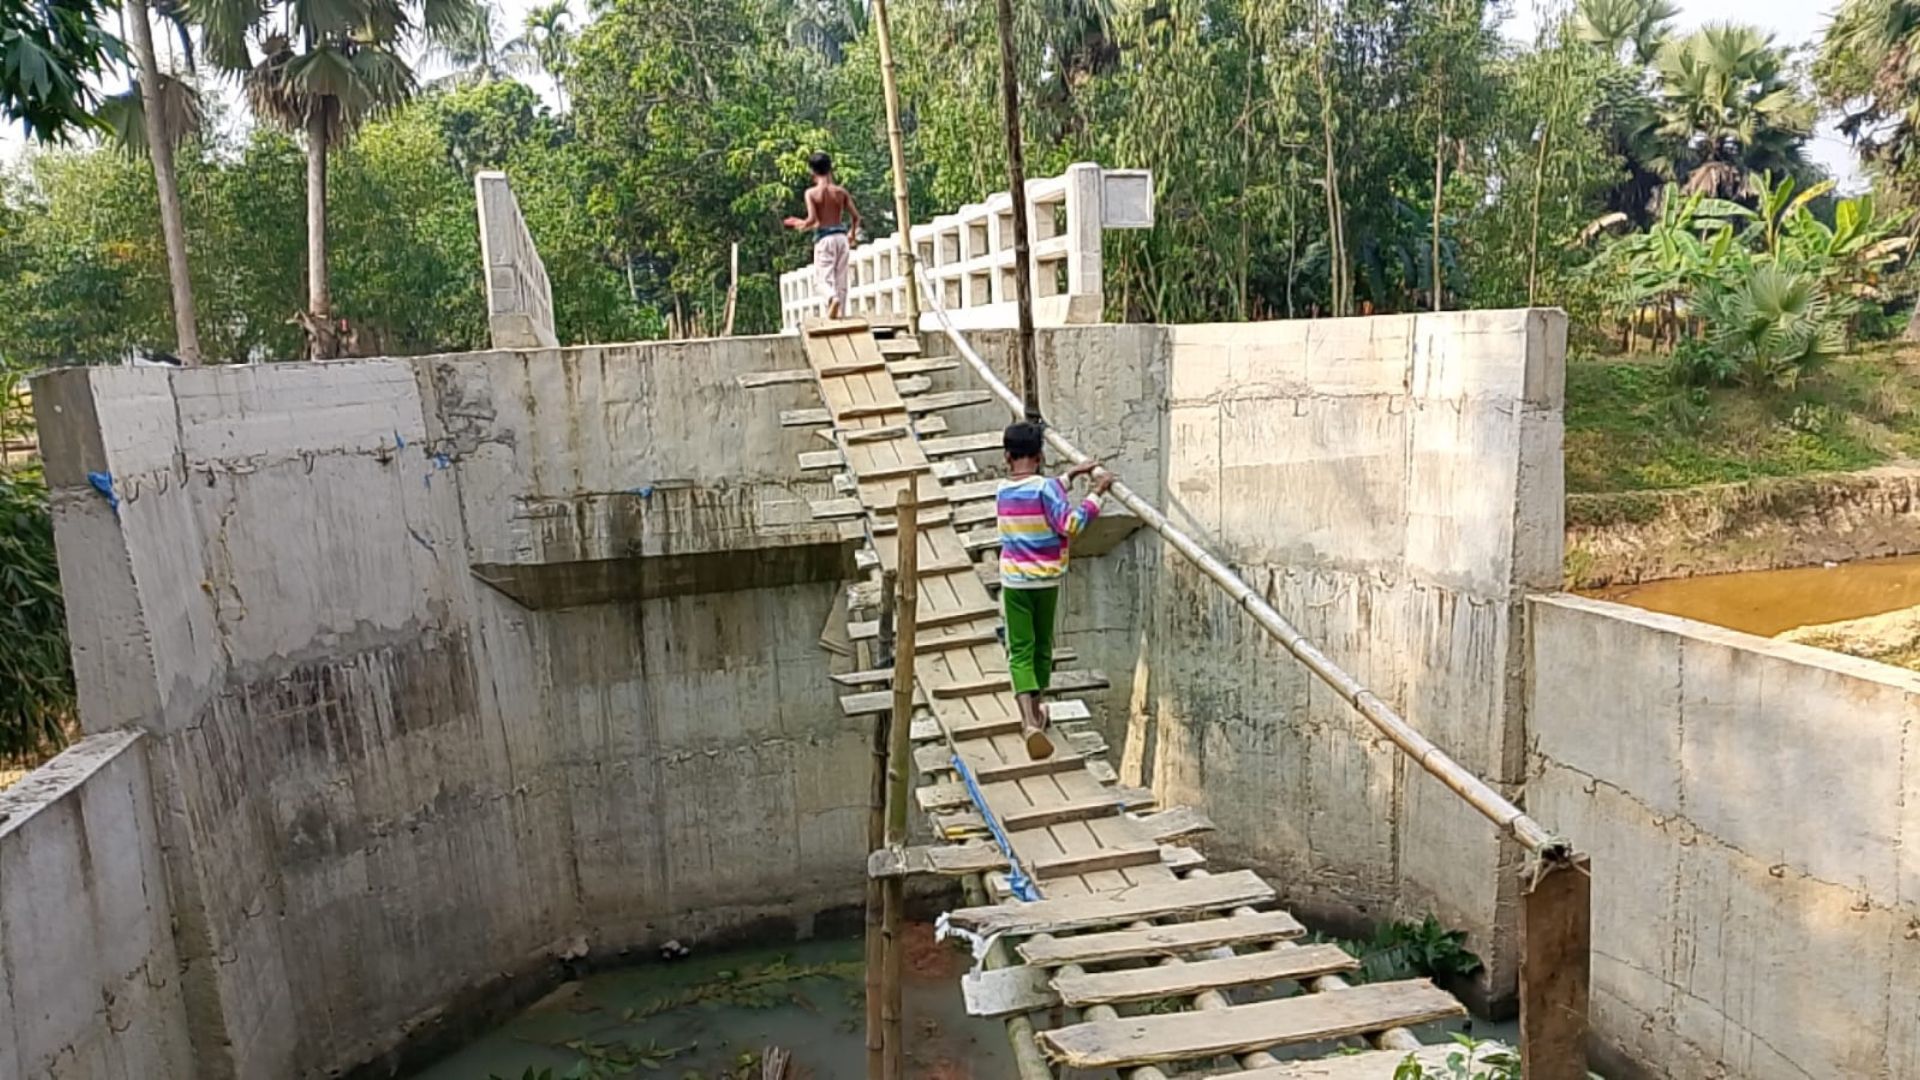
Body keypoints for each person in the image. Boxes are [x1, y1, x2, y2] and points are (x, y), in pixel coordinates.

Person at [996, 421, 1111, 760]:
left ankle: (1029, 722)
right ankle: (1038, 710)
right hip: (1045, 581)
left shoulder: (1003, 490)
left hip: (1014, 581)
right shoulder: (1045, 488)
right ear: (1041, 455)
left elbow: (1043, 493)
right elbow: (1070, 524)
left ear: (1007, 457)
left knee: (1019, 650)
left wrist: (1072, 475)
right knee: (1042, 647)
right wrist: (1096, 493)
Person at [782, 152, 861, 319]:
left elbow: (812, 220)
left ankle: (832, 299)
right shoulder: (841, 192)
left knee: (821, 282)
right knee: (841, 280)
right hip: (841, 238)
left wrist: (799, 223)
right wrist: (852, 234)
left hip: (824, 240)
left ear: (812, 172)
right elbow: (856, 217)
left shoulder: (811, 193)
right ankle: (840, 314)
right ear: (830, 169)